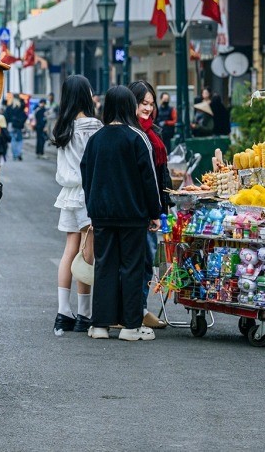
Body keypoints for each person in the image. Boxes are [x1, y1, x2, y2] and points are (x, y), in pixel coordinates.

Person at [80, 86, 162, 341]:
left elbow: (86, 175)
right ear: (129, 106)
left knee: (104, 266)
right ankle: (130, 326)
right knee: (131, 267)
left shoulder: (96, 139)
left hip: (102, 214)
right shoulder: (137, 138)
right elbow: (149, 179)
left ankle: (101, 325)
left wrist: (93, 207)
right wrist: (154, 212)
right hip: (132, 214)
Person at [50, 75, 102, 337]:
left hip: (68, 193)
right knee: (86, 252)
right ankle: (84, 314)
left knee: (70, 249)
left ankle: (63, 312)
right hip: (88, 192)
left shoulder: (63, 126)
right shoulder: (92, 125)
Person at [130, 80, 174, 330]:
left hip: (154, 206)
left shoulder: (153, 131)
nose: (148, 108)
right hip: (141, 209)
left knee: (148, 260)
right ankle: (134, 310)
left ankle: (141, 308)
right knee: (140, 260)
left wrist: (163, 204)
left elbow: (160, 173)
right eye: (142, 103)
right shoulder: (132, 133)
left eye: (150, 103)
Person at [4, 95, 27, 161]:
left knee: (13, 140)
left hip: (11, 125)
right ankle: (19, 152)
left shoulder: (9, 107)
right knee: (19, 140)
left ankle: (15, 155)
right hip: (18, 125)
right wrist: (21, 122)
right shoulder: (21, 107)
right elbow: (25, 116)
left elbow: (5, 117)